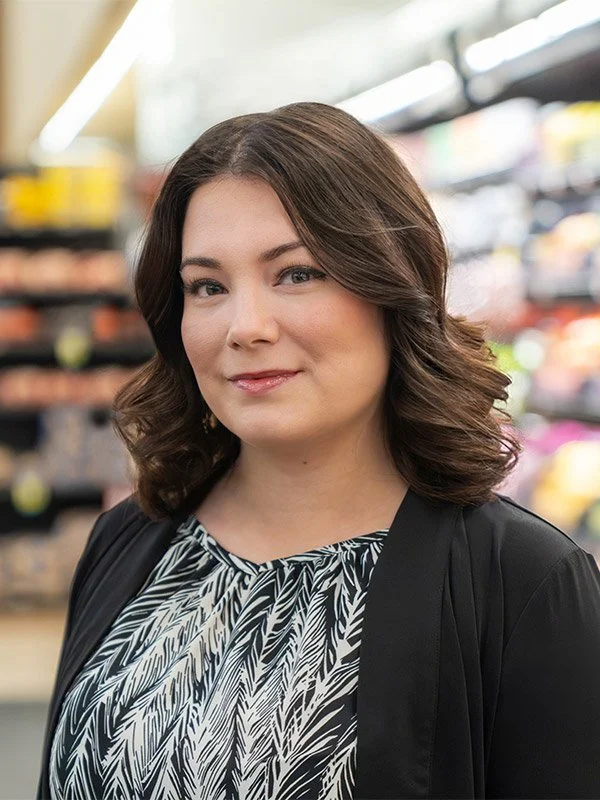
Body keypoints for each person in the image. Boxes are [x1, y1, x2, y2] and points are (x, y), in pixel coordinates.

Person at [38, 102, 600, 800]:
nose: (246, 327)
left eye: (296, 274)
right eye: (207, 286)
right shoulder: (130, 542)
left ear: (392, 283)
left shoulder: (525, 582)